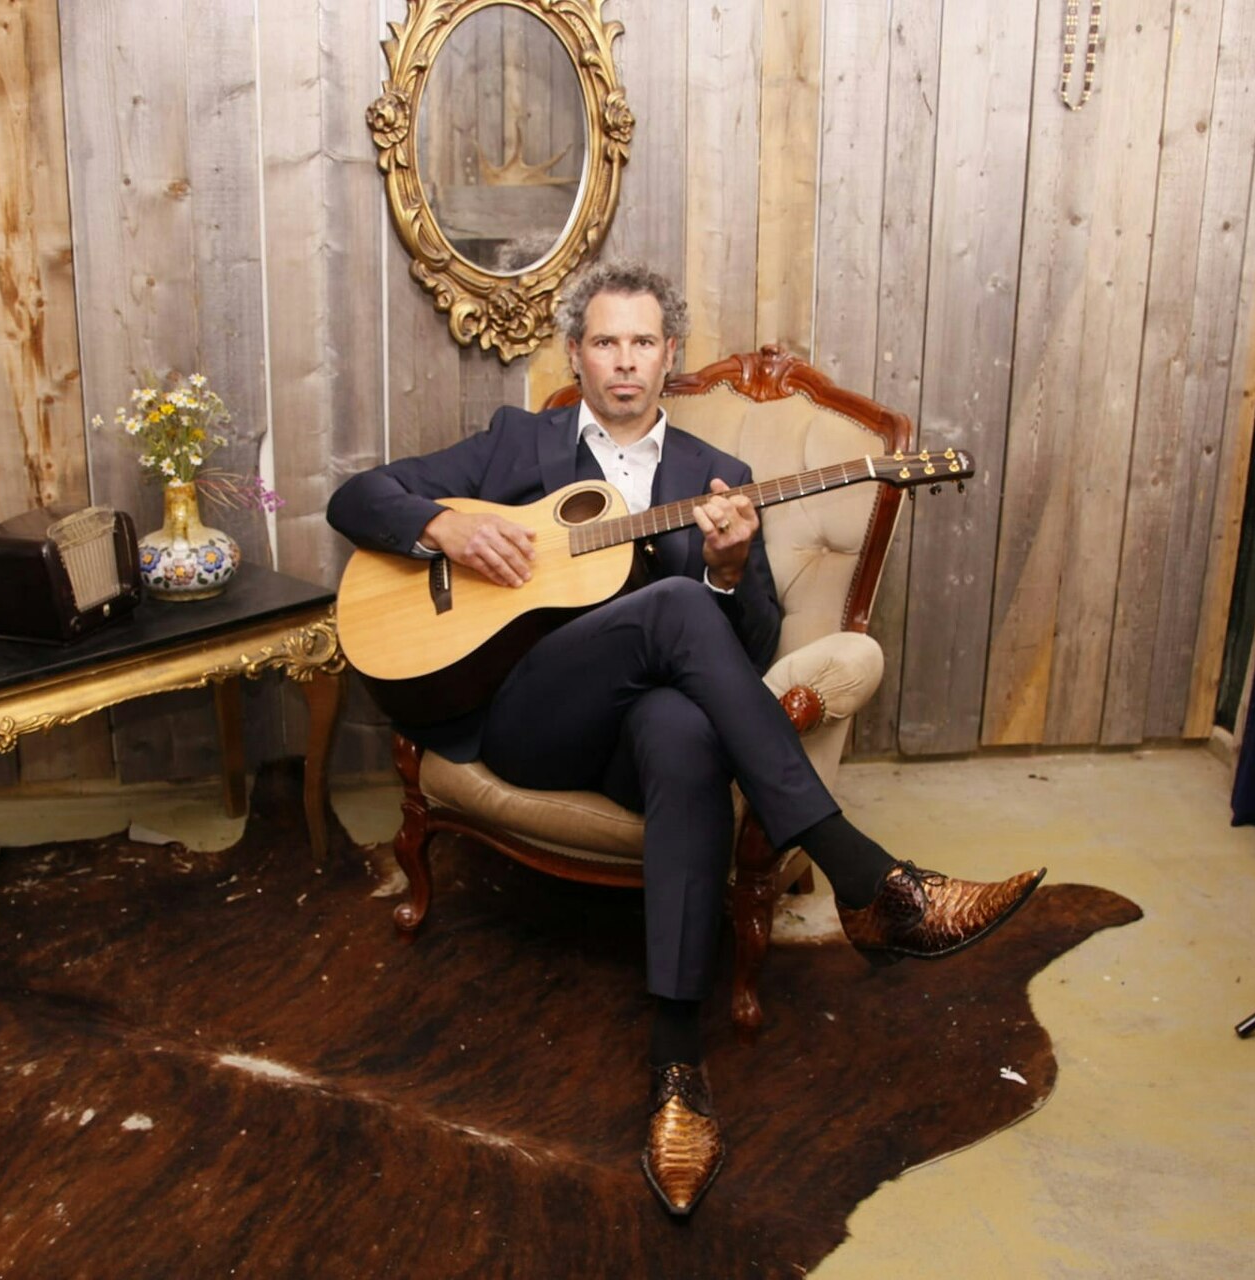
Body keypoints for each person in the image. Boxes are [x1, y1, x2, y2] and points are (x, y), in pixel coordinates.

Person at [328, 262, 1044, 1217]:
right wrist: (443, 527)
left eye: (643, 343)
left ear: (670, 355)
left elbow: (747, 655)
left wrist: (729, 569)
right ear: (576, 354)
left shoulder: (721, 479)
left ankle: (677, 1071)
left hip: (635, 742)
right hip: (526, 719)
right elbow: (356, 497)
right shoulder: (516, 442)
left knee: (681, 729)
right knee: (672, 607)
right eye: (605, 342)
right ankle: (866, 877)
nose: (625, 361)